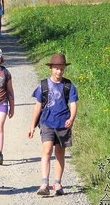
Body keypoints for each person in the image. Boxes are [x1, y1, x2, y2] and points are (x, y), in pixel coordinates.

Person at [27, 54, 78, 196]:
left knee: (60, 153)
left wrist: (72, 118)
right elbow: (37, 106)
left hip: (63, 124)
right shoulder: (43, 85)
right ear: (51, 68)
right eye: (56, 68)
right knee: (47, 150)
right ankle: (44, 183)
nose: (59, 72)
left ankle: (58, 183)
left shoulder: (68, 85)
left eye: (61, 69)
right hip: (46, 122)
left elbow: (73, 104)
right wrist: (32, 126)